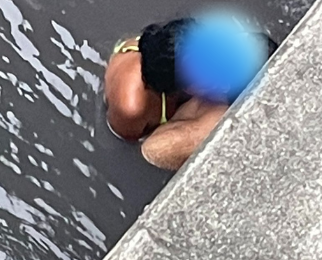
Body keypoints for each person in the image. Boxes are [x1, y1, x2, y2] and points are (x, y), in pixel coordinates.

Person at [104, 16, 277, 170]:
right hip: (138, 117)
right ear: (182, 90)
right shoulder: (132, 108)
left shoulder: (174, 41)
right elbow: (137, 148)